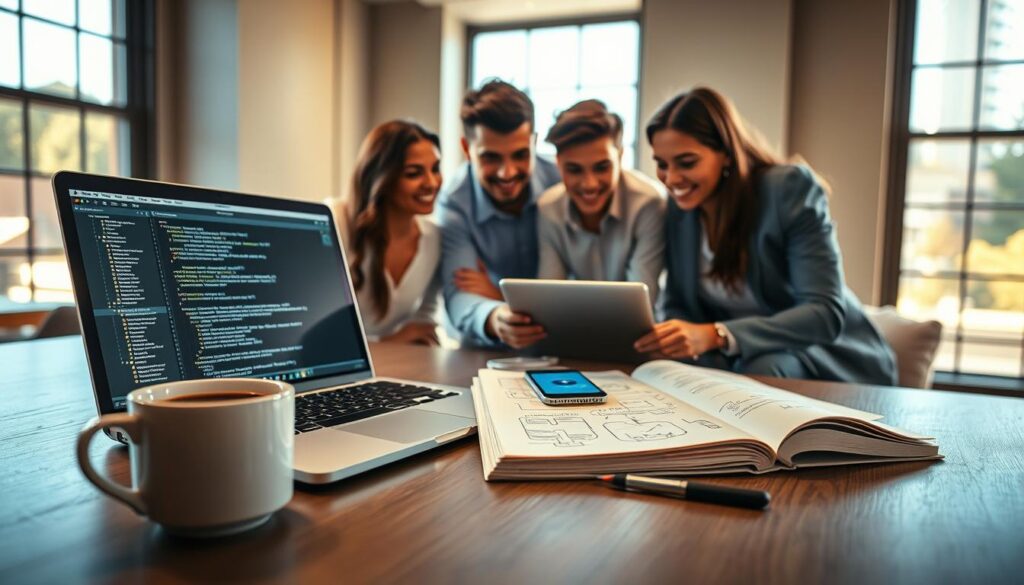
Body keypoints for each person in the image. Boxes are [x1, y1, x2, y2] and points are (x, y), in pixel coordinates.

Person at [634, 88, 896, 384]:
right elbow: (680, 303)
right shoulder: (680, 210)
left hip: (819, 352)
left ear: (726, 155)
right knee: (668, 370)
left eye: (687, 162)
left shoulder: (788, 189)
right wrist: (676, 337)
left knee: (762, 368)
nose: (671, 179)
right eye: (662, 164)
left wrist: (717, 335)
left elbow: (824, 313)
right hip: (740, 354)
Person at [436, 80, 562, 348]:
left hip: (561, 344)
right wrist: (495, 316)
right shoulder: (454, 202)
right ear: (467, 148)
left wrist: (498, 294)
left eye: (519, 155)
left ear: (534, 142)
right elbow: (459, 294)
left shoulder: (562, 183)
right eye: (491, 158)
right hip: (487, 350)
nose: (507, 173)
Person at [536, 99, 666, 306]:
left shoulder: (650, 204)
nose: (589, 184)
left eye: (602, 167)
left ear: (620, 156)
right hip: (574, 328)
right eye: (574, 170)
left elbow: (641, 303)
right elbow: (550, 300)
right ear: (558, 164)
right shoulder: (548, 208)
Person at [327, 120, 443, 345]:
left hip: (397, 365)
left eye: (435, 169)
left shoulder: (434, 238)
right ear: (382, 178)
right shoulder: (335, 221)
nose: (431, 183)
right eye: (413, 173)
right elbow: (318, 328)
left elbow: (424, 318)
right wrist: (391, 340)